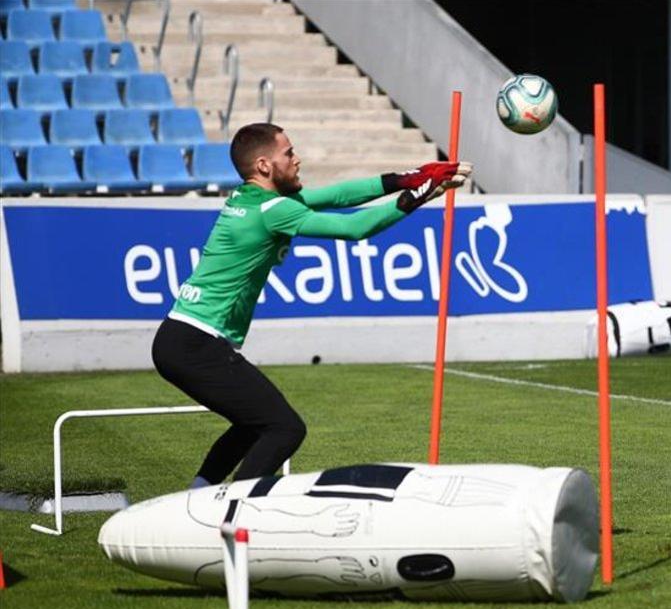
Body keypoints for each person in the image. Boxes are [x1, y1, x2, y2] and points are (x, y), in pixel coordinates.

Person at [152, 123, 471, 488]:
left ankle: (199, 499)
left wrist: (406, 179)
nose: (297, 158)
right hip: (196, 343)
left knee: (253, 425)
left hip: (181, 339)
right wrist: (419, 195)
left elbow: (336, 196)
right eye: (288, 153)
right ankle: (232, 516)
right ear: (264, 166)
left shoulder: (251, 198)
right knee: (284, 428)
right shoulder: (272, 210)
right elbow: (354, 229)